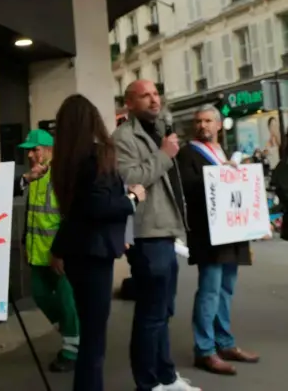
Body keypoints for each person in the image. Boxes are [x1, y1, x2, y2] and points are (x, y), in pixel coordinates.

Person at [50, 94, 143, 391]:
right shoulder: (96, 156)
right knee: (94, 340)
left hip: (77, 253)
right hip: (94, 254)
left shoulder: (64, 161)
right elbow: (100, 207)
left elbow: (75, 211)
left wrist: (59, 249)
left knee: (90, 335)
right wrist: (132, 199)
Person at [112, 79, 198, 391]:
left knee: (164, 310)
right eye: (145, 95)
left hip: (167, 230)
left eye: (155, 93)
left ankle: (167, 376)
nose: (153, 99)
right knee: (151, 313)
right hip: (146, 233)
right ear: (130, 103)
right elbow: (130, 179)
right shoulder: (123, 138)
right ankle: (147, 382)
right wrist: (163, 155)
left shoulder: (163, 129)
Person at [175, 105, 259, 376]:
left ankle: (224, 343)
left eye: (208, 121)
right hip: (207, 234)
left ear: (219, 125)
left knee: (226, 290)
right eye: (199, 121)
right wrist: (222, 174)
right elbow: (188, 188)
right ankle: (205, 350)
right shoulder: (188, 153)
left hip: (231, 233)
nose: (203, 126)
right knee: (209, 291)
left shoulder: (223, 152)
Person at [20, 128, 79, 372]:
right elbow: (32, 214)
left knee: (67, 302)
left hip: (61, 254)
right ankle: (71, 331)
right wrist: (25, 243)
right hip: (37, 253)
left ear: (50, 149)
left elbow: (70, 217)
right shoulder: (33, 176)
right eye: (29, 151)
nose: (32, 155)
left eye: (36, 149)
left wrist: (62, 252)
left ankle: (71, 350)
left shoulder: (61, 175)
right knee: (40, 294)